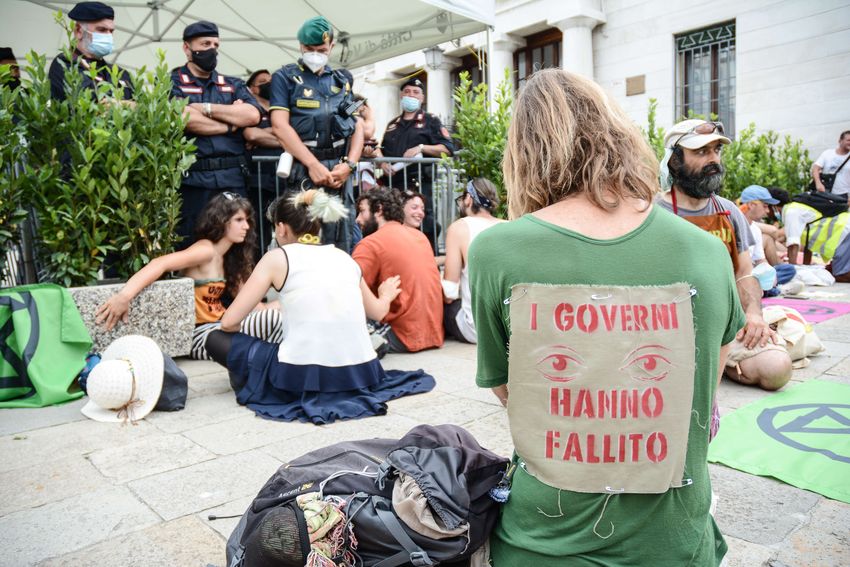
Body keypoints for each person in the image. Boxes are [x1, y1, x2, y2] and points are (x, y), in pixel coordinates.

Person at [470, 68, 745, 566]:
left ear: (524, 154)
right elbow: (705, 391)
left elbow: (513, 394)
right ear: (618, 134)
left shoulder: (496, 250)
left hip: (543, 543)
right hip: (674, 544)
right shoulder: (706, 252)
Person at [204, 189, 435, 424]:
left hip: (303, 375)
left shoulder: (277, 258)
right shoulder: (344, 257)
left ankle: (253, 375)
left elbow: (229, 322)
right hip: (362, 372)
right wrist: (385, 295)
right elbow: (377, 311)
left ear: (281, 228)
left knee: (215, 339)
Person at [657, 119, 792, 391]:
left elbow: (744, 272)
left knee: (777, 368)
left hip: (723, 325)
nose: (713, 160)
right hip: (668, 329)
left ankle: (721, 361)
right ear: (674, 161)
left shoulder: (729, 212)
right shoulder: (652, 213)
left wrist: (753, 314)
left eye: (717, 150)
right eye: (701, 152)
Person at [95, 192, 282, 360]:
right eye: (239, 220)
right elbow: (160, 264)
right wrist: (124, 296)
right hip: (203, 336)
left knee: (282, 314)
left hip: (224, 328)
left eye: (248, 220)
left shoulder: (231, 259)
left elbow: (256, 308)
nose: (246, 226)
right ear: (221, 220)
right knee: (273, 320)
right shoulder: (205, 250)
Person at [268, 16, 363, 253]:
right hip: (304, 169)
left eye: (321, 49)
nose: (315, 54)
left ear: (331, 47)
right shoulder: (285, 78)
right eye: (309, 49)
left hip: (338, 172)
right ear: (300, 46)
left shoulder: (342, 82)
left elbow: (356, 124)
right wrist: (311, 164)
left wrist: (350, 164)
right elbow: (279, 125)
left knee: (341, 241)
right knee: (303, 239)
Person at [171, 21, 262, 248]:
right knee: (194, 245)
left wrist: (205, 109)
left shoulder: (232, 84)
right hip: (194, 180)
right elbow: (184, 118)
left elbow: (251, 115)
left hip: (233, 178)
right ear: (187, 48)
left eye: (215, 44)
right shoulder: (172, 82)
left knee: (237, 247)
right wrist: (231, 124)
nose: (212, 49)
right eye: (205, 44)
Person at [353, 188, 443, 353]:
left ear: (379, 209)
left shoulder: (370, 244)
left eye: (362, 211)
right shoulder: (419, 236)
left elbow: (349, 290)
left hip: (402, 334)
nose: (358, 219)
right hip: (433, 332)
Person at [376, 77, 454, 251]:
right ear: (401, 95)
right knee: (394, 225)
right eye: (407, 92)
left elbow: (447, 148)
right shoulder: (392, 125)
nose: (411, 95)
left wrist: (421, 148)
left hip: (419, 184)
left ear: (422, 98)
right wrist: (381, 163)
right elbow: (382, 152)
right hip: (394, 186)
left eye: (416, 92)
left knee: (426, 225)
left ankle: (429, 260)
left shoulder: (430, 121)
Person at [442, 178, 505, 344]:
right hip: (507, 328)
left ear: (469, 198)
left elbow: (449, 292)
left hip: (477, 330)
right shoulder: (509, 225)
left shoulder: (459, 227)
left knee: (446, 305)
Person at [48, 2, 132, 101]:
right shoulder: (64, 65)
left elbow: (143, 107)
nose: (108, 36)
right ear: (79, 31)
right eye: (102, 30)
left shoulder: (120, 73)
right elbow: (93, 105)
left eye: (111, 31)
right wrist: (129, 105)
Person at [244, 68, 282, 250]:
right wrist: (284, 138)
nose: (269, 83)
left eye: (271, 80)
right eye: (263, 82)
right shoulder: (250, 109)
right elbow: (251, 135)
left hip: (281, 178)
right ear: (252, 88)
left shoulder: (280, 107)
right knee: (259, 228)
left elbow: (291, 132)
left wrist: (265, 133)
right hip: (258, 180)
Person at [739, 185, 781, 265]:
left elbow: (760, 260)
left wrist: (771, 273)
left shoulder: (756, 229)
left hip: (751, 271)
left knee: (786, 270)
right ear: (751, 205)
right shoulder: (733, 226)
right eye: (765, 206)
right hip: (738, 274)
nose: (768, 211)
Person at [812, 130, 850, 195]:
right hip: (826, 193)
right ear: (840, 141)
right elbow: (815, 168)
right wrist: (818, 183)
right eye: (848, 140)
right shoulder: (828, 153)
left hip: (844, 195)